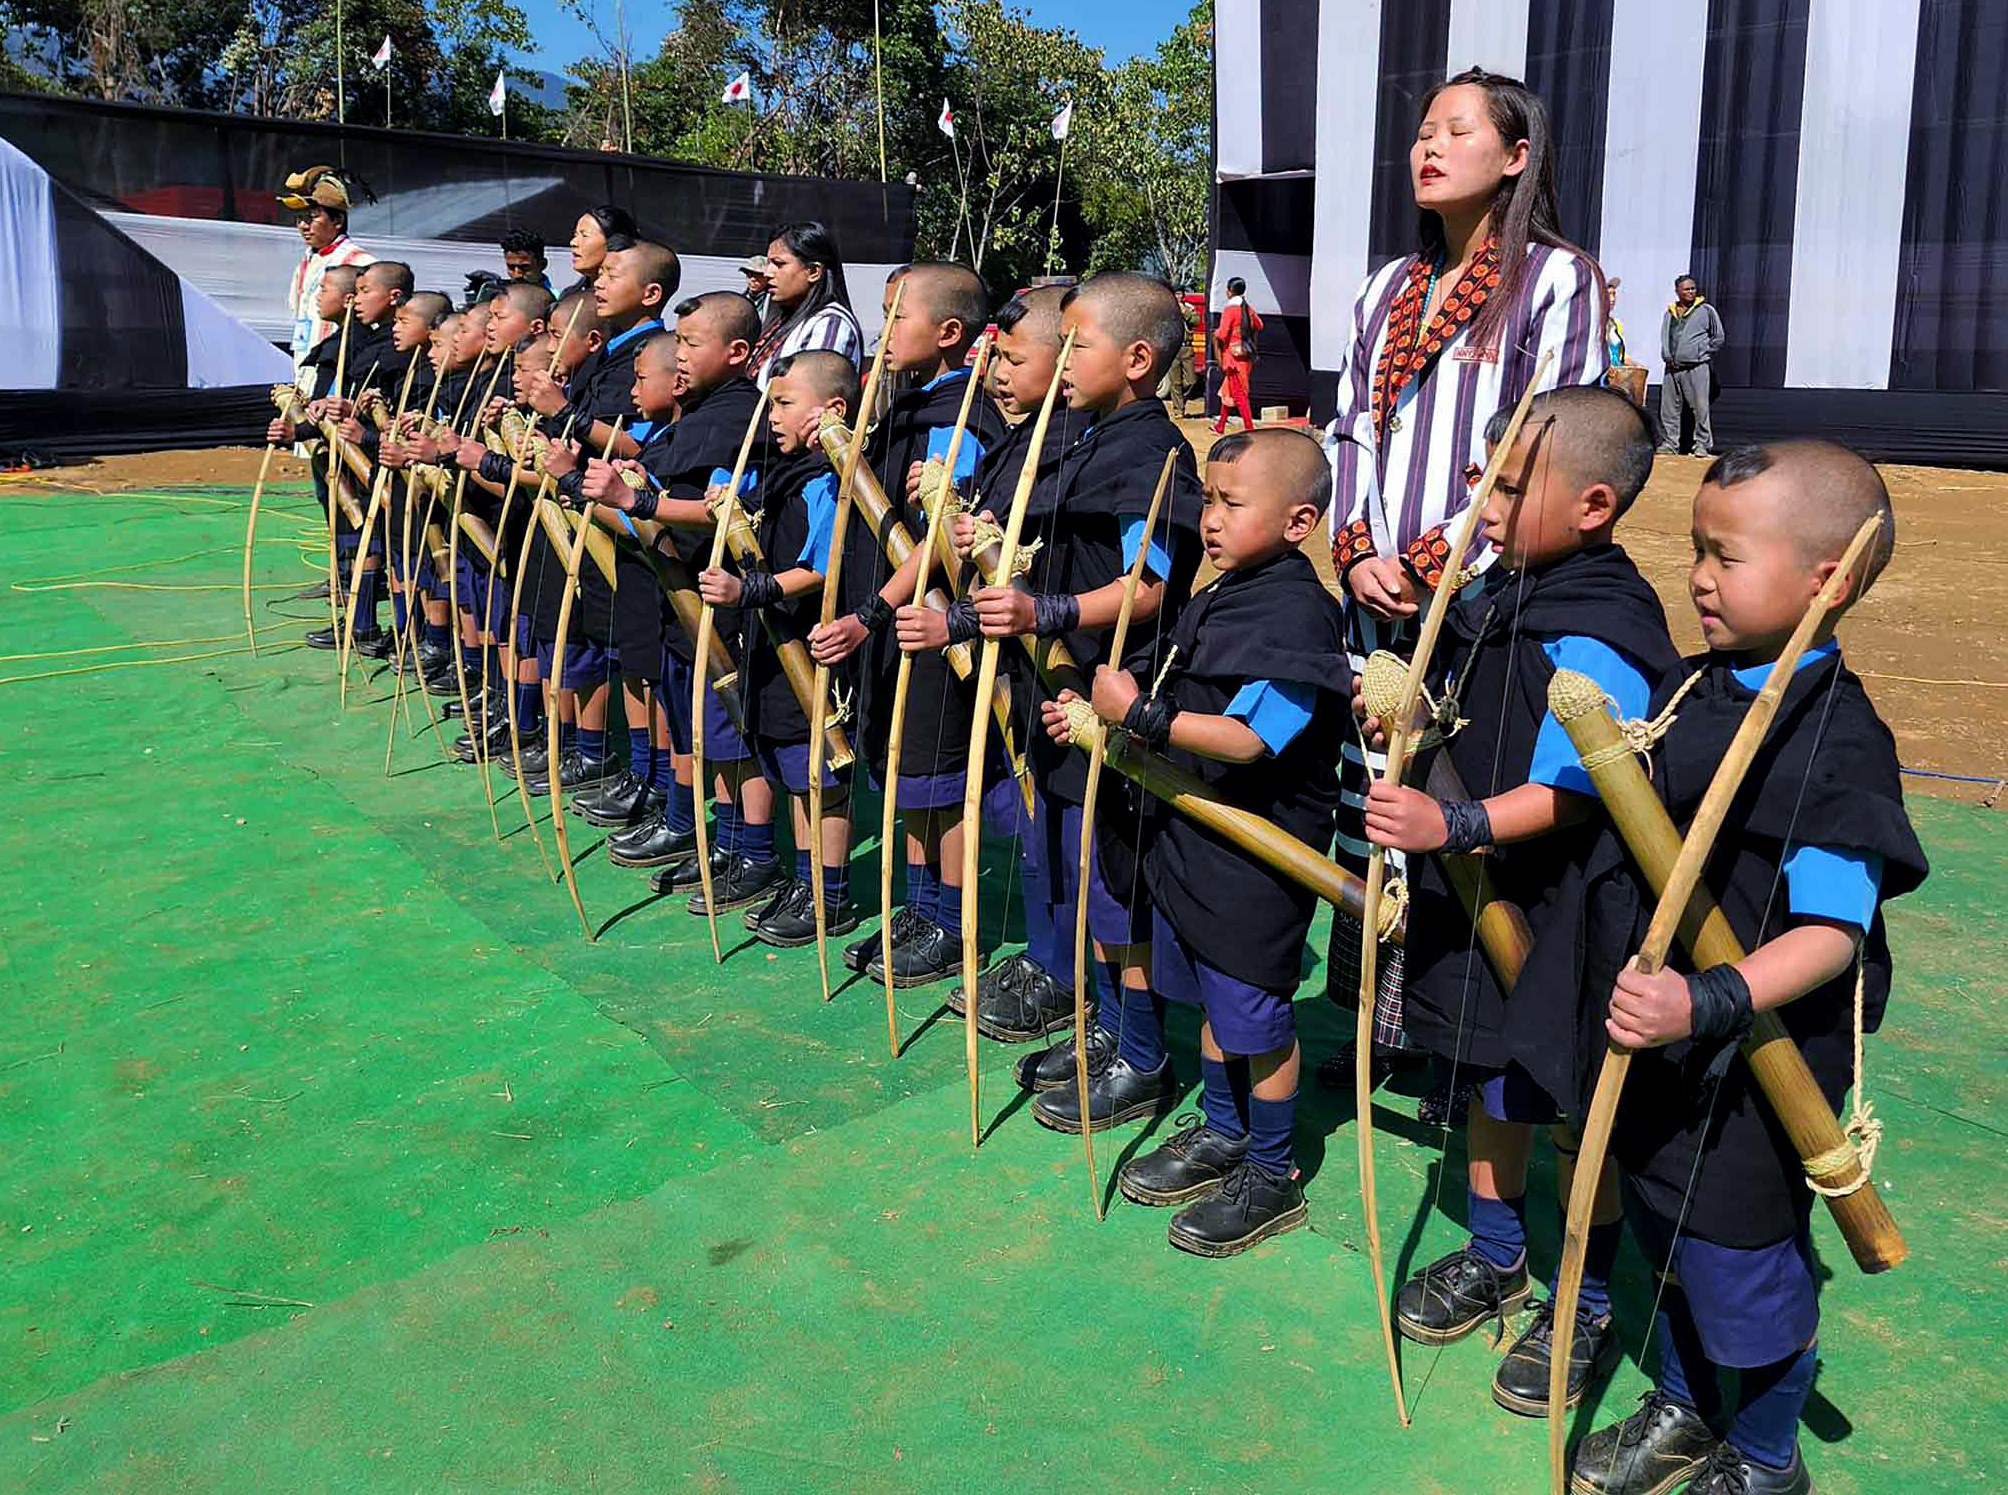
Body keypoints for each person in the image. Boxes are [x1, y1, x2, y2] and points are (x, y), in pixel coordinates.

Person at [1566, 442, 1927, 1495]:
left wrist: (1704, 996)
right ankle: (1683, 1404)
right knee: (1668, 1231)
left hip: (1753, 1060)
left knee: (1740, 1259)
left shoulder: (1834, 739)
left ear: (1829, 580)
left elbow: (1832, 932)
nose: (1698, 577)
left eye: (1725, 555)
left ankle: (1766, 1457)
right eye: (1693, 551)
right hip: (1662, 1040)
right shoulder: (1699, 686)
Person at [1363, 386, 1681, 1418]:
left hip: (1565, 908)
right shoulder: (1503, 587)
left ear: (1593, 504)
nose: (1482, 500)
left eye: (1508, 483)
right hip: (1478, 890)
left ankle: (1582, 1298)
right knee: (1492, 1077)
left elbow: (1578, 784)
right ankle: (1497, 1253)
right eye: (1483, 476)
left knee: (1572, 1100)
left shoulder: (1600, 624)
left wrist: (1449, 827)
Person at [1322, 65, 1610, 1112]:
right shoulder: (1381, 291)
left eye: (1457, 131)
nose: (1428, 147)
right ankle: (1372, 1027)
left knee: (1460, 812)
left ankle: (1473, 1044)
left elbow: (1543, 443)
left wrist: (1437, 560)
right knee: (1374, 809)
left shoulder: (1556, 282)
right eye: (1423, 131)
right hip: (1374, 596)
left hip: (1479, 601)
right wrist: (1357, 549)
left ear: (1517, 156)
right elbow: (1349, 429)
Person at [1053, 428, 1347, 1255]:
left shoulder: (1295, 611)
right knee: (1219, 999)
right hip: (1194, 838)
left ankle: (1273, 1168)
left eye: (1232, 503)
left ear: (1300, 521)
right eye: (1208, 500)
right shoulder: (1227, 590)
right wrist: (1098, 722)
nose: (1209, 520)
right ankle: (1224, 1129)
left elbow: (1255, 739)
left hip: (1255, 851)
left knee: (1254, 1010)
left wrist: (1140, 715)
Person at [954, 272, 1205, 1133]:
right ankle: (1107, 1026)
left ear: (1137, 360)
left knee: (1118, 888)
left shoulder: (1152, 453)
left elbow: (1150, 584)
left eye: (1077, 344)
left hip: (1111, 694)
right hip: (1058, 687)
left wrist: (1044, 611)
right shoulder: (1082, 436)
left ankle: (1143, 1052)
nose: (1059, 359)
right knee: (1092, 879)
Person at [809, 262, 1007, 982]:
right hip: (898, 623)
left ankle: (954, 922)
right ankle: (922, 906)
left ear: (950, 332)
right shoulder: (910, 402)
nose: (883, 330)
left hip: (927, 621)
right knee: (905, 771)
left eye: (899, 316)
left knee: (938, 777)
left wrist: (872, 612)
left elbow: (939, 534)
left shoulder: (963, 418)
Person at [580, 294, 770, 915]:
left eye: (691, 343)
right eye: (680, 343)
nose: (680, 354)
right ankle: (718, 837)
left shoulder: (738, 417)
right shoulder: (702, 413)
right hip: (676, 601)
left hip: (717, 602)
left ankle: (754, 850)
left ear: (737, 353)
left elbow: (723, 509)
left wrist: (639, 506)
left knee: (732, 733)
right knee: (697, 728)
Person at [692, 350, 861, 946]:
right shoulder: (782, 471)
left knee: (819, 773)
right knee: (790, 767)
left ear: (832, 409)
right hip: (770, 644)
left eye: (785, 404)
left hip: (808, 646)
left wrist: (750, 588)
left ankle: (830, 894)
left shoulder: (830, 480)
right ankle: (806, 877)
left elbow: (821, 565)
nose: (772, 416)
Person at [279, 166, 376, 403]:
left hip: (338, 373)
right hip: (304, 366)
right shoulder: (307, 261)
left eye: (312, 217)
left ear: (338, 220)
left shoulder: (362, 263)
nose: (303, 226)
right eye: (300, 219)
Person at [747, 222, 864, 385]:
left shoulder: (830, 325)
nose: (767, 273)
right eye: (769, 263)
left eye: (779, 264)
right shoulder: (783, 318)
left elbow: (811, 398)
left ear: (813, 272)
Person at [1660, 274, 1726, 456]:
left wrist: (1701, 351)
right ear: (1677, 292)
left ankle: (1702, 445)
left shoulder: (1706, 310)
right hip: (1672, 368)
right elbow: (1665, 336)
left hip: (1696, 367)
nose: (1691, 292)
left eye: (1693, 288)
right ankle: (1670, 444)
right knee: (1669, 410)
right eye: (1686, 289)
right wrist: (1666, 353)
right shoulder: (1670, 312)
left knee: (1700, 407)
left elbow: (1718, 336)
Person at [1211, 277, 1264, 435]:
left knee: (1239, 394)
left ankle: (1249, 428)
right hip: (1245, 357)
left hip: (1232, 359)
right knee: (1230, 389)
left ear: (1229, 291)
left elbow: (1222, 333)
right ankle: (1220, 425)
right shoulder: (1247, 308)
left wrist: (1215, 334)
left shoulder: (1230, 309)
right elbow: (1260, 325)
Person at [563, 204, 638, 297]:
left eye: (585, 235)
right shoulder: (568, 296)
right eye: (575, 235)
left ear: (614, 242)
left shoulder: (630, 298)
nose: (573, 242)